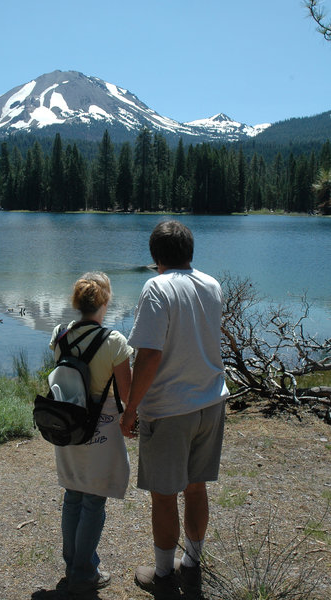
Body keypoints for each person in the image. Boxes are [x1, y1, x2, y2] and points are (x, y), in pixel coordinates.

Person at [120, 220, 229, 596]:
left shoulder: (156, 288)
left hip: (168, 409)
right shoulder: (211, 284)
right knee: (196, 488)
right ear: (190, 252)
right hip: (211, 402)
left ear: (156, 257)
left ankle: (164, 572)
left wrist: (130, 409)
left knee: (164, 494)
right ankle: (193, 562)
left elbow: (149, 355)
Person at [49, 272, 132, 595]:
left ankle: (73, 564)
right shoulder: (115, 342)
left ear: (76, 302)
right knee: (94, 500)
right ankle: (84, 572)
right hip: (101, 428)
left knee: (72, 494)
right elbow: (125, 393)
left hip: (67, 424)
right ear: (106, 302)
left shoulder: (59, 334)